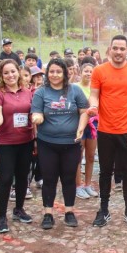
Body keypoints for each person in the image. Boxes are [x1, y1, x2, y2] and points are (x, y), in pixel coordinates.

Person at [88, 35, 127, 228]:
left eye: (122, 49)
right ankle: (103, 210)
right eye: (115, 48)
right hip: (105, 130)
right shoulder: (99, 70)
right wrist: (93, 107)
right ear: (110, 49)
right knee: (105, 172)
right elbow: (94, 95)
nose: (119, 52)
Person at [31, 58, 89, 229]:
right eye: (51, 71)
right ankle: (48, 214)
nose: (55, 75)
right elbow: (36, 112)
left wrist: (81, 128)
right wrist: (37, 117)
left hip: (71, 143)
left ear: (64, 73)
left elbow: (84, 111)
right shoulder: (41, 92)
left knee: (69, 178)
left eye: (58, 71)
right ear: (47, 73)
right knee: (49, 179)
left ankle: (69, 212)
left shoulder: (75, 90)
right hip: (47, 143)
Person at [0, 59, 36, 233]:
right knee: (6, 179)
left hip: (26, 141)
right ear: (1, 76)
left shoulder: (27, 92)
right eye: (6, 73)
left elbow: (33, 116)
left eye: (13, 71)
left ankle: (19, 209)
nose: (10, 75)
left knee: (23, 177)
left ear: (18, 72)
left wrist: (36, 138)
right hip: (6, 142)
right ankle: (2, 216)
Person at [75, 59, 99, 199]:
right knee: (78, 155)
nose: (88, 74)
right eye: (86, 71)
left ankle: (88, 184)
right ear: (81, 72)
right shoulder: (75, 87)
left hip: (93, 125)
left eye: (91, 72)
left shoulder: (95, 89)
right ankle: (78, 185)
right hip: (79, 124)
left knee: (90, 155)